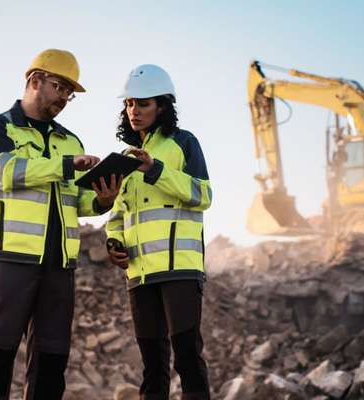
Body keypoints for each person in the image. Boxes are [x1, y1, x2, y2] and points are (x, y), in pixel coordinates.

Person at [0, 49, 121, 400]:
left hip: (59, 266)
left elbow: (77, 200)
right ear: (35, 80)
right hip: (9, 260)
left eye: (70, 93)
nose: (65, 98)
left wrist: (102, 199)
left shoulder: (70, 140)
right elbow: (8, 173)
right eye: (59, 87)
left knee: (52, 362)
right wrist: (67, 165)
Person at [106, 64, 213, 400]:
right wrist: (113, 240)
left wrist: (156, 169)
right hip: (139, 273)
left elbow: (202, 195)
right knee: (153, 365)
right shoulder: (125, 157)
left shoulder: (184, 143)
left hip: (179, 268)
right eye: (129, 104)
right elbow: (119, 212)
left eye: (143, 104)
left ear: (163, 105)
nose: (134, 111)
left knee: (187, 358)